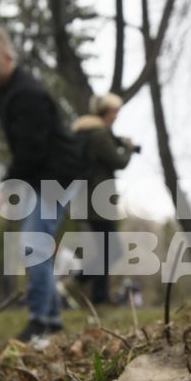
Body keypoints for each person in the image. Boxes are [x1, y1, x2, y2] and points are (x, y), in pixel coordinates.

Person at [0, 25, 82, 341]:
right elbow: (24, 151)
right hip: (39, 174)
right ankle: (53, 321)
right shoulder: (5, 93)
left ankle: (40, 323)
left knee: (34, 244)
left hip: (58, 173)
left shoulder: (27, 94)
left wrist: (4, 187)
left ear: (7, 56)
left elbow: (32, 149)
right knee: (35, 244)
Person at [71, 92, 137, 305]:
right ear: (107, 112)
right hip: (98, 201)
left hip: (90, 199)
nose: (117, 115)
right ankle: (78, 279)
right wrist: (127, 149)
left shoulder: (87, 133)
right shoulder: (99, 135)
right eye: (115, 111)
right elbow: (118, 161)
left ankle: (100, 297)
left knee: (106, 250)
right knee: (113, 250)